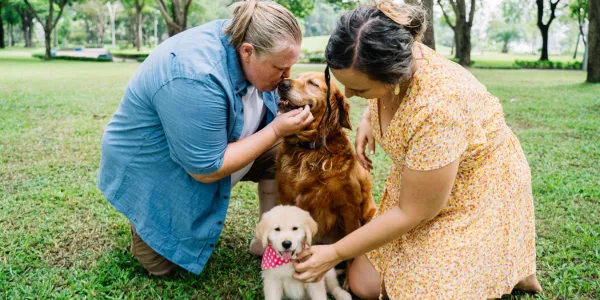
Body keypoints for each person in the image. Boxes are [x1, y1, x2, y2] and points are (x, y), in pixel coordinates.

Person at [292, 1, 542, 299]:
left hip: (477, 187)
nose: (348, 96)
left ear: (394, 77)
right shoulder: (397, 51)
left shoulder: (439, 108)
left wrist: (334, 252)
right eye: (345, 85)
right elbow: (379, 92)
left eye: (359, 91)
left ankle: (506, 264)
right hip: (422, 181)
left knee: (421, 292)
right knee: (362, 282)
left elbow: (414, 211)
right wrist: (371, 118)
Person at [97, 0, 314, 276]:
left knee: (285, 152)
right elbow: (206, 169)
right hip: (157, 167)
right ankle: (149, 215)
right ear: (248, 52)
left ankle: (268, 239)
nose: (287, 77)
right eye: (280, 69)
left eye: (290, 66)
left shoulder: (247, 39)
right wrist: (274, 130)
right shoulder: (195, 75)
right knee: (165, 268)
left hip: (217, 147)